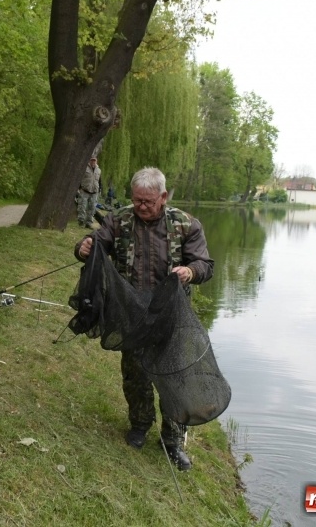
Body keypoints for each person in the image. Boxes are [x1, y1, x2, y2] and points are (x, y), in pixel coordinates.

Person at [74, 167, 214, 471]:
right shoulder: (118, 219)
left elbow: (205, 265)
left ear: (163, 197)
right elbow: (95, 244)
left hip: (171, 315)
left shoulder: (186, 224)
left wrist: (190, 271)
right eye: (136, 199)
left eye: (147, 201)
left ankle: (172, 440)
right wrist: (83, 247)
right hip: (132, 314)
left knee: (174, 378)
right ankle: (139, 425)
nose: (140, 206)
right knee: (135, 375)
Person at [77, 156, 102, 228]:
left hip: (94, 191)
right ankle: (81, 221)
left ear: (96, 161)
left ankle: (89, 223)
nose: (93, 162)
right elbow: (79, 178)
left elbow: (99, 181)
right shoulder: (85, 168)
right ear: (89, 161)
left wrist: (100, 189)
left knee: (92, 208)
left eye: (94, 161)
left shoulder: (99, 170)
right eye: (92, 160)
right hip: (85, 190)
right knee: (82, 206)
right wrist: (79, 188)